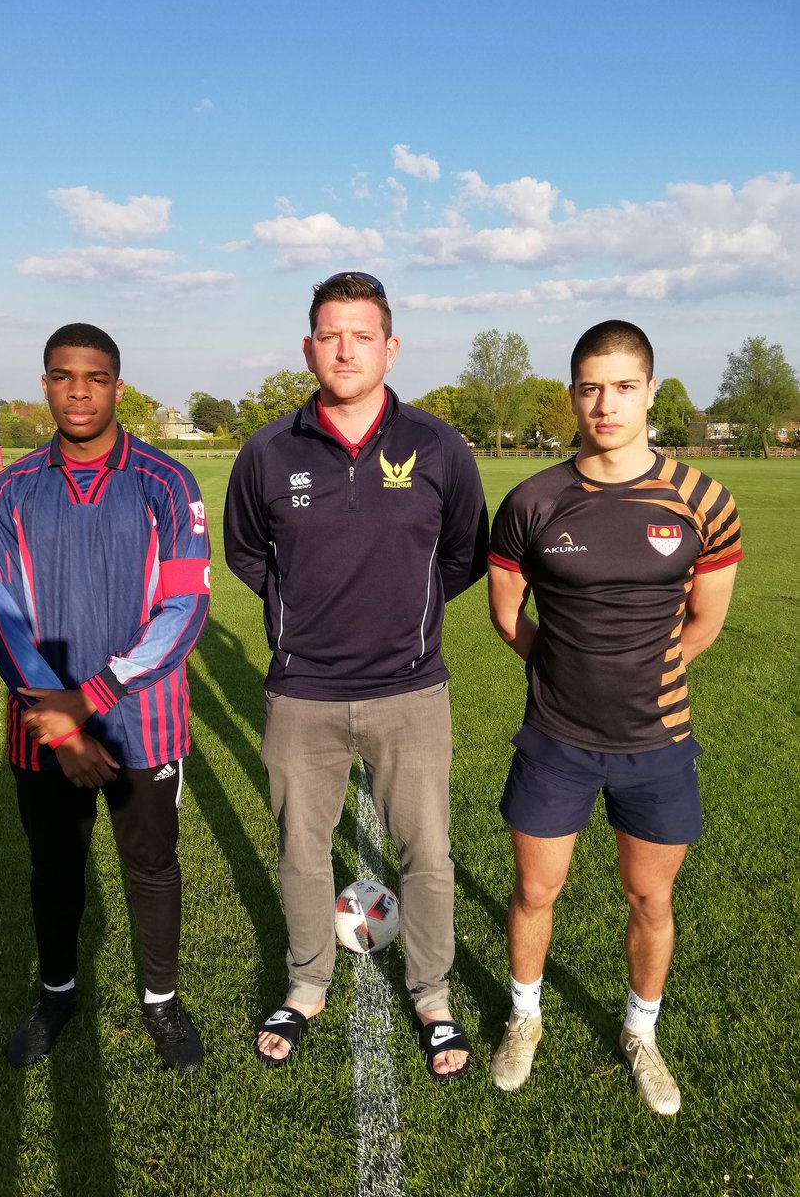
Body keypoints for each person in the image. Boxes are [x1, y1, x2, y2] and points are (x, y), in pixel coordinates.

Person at [223, 272, 487, 1079]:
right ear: (309, 346)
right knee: (302, 851)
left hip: (410, 690)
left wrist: (404, 613)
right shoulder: (268, 449)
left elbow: (464, 553)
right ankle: (307, 985)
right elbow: (244, 550)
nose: (345, 349)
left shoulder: (438, 446)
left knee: (428, 853)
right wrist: (294, 613)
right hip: (301, 693)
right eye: (330, 334)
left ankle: (432, 996)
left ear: (390, 346)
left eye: (362, 334)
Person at [487, 320, 742, 1114]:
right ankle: (524, 1018)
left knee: (650, 900)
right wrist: (569, 675)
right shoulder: (533, 500)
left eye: (624, 386)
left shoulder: (704, 500)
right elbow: (506, 616)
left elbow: (704, 623)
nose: (606, 403)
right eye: (591, 387)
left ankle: (641, 1032)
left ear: (651, 392)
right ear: (573, 395)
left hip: (658, 744)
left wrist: (647, 676)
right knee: (535, 892)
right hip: (555, 740)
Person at [0, 323, 210, 1073]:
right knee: (54, 868)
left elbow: (184, 612)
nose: (79, 391)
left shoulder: (167, 482)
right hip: (47, 728)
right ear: (44, 385)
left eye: (96, 377)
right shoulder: (11, 488)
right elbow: (2, 614)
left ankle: (162, 1004)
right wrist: (62, 722)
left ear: (118, 384)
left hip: (145, 722)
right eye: (63, 376)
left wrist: (95, 697)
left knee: (152, 865)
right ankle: (56, 995)